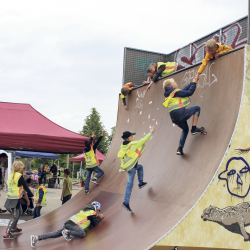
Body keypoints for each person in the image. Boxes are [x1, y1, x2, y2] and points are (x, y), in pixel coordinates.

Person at [31, 201, 104, 247]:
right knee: (82, 234)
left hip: (69, 222)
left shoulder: (83, 211)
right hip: (73, 225)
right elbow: (94, 223)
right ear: (96, 208)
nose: (98, 212)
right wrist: (100, 217)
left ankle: (36, 238)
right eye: (98, 210)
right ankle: (67, 232)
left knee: (56, 234)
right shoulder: (92, 212)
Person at [117, 126, 156, 212]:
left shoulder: (123, 146)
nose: (132, 137)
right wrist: (151, 132)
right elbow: (143, 140)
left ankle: (141, 182)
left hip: (129, 166)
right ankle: (126, 202)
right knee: (129, 185)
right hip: (131, 168)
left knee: (140, 166)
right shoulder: (132, 145)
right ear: (128, 138)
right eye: (131, 136)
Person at [163, 77, 203, 155]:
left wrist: (191, 83)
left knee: (185, 130)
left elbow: (183, 91)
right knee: (197, 108)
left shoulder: (170, 93)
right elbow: (189, 93)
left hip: (175, 119)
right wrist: (194, 84)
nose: (176, 83)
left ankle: (179, 148)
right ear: (172, 86)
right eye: (175, 82)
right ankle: (194, 129)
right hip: (181, 115)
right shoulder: (175, 92)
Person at [4, 161, 38, 239]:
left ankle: (13, 228)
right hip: (14, 198)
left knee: (19, 212)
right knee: (15, 216)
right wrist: (33, 197)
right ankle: (7, 233)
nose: (23, 168)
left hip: (12, 197)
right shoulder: (19, 176)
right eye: (22, 166)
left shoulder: (12, 175)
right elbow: (26, 187)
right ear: (19, 167)